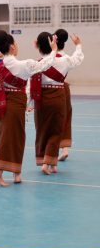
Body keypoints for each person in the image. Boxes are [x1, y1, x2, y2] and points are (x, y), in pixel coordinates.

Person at [0, 30, 58, 187]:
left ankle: (17, 173)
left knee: (11, 138)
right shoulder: (24, 65)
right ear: (12, 47)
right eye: (16, 44)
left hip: (1, 107)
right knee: (11, 139)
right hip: (16, 106)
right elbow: (45, 64)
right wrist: (53, 50)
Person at [30, 32, 84, 174]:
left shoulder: (37, 63)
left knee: (42, 130)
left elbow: (29, 86)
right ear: (53, 43)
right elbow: (77, 59)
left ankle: (46, 161)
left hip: (41, 100)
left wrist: (30, 103)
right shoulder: (64, 60)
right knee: (56, 131)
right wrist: (78, 45)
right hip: (58, 98)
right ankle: (49, 163)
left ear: (38, 46)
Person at [54, 29, 73, 161]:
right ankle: (65, 149)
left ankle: (50, 152)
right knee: (65, 118)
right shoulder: (67, 57)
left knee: (52, 120)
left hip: (53, 89)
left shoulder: (51, 56)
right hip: (64, 87)